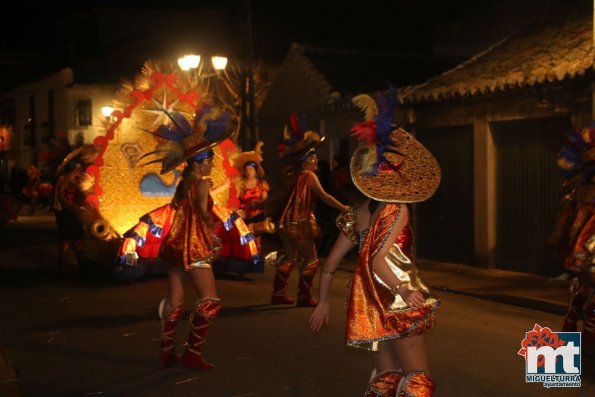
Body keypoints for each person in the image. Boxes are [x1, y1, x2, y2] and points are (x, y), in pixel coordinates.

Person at [309, 90, 441, 396]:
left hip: (368, 303)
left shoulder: (356, 215)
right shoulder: (398, 209)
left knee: (386, 378)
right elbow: (378, 259)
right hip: (396, 301)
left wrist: (323, 303)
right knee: (418, 380)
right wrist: (403, 289)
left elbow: (329, 266)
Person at [140, 104, 231, 371]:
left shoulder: (184, 185)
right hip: (196, 247)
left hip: (178, 246)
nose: (213, 163)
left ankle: (166, 352)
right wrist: (213, 226)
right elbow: (203, 211)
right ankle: (193, 352)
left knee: (174, 301)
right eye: (210, 159)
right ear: (200, 162)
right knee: (210, 300)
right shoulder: (201, 183)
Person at [271, 121, 348, 307]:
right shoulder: (308, 176)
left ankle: (278, 294)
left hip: (286, 223)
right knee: (311, 259)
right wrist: (344, 208)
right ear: (305, 161)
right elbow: (324, 196)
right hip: (300, 223)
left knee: (289, 258)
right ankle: (304, 296)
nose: (315, 161)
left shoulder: (294, 176)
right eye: (312, 158)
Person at [554, 126, 595, 344]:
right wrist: (558, 230)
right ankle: (581, 327)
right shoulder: (582, 185)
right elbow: (569, 204)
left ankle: (575, 322)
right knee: (586, 278)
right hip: (587, 240)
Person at [53, 144, 98, 273]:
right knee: (66, 238)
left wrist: (88, 188)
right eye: (76, 169)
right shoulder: (63, 179)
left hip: (75, 211)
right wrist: (72, 206)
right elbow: (61, 197)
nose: (78, 171)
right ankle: (62, 266)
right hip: (63, 211)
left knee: (79, 238)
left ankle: (81, 264)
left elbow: (83, 195)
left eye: (80, 169)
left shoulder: (79, 180)